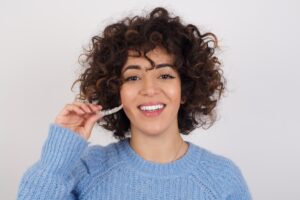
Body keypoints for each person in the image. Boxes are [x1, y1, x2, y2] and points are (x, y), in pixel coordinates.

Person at [17, 7, 252, 200]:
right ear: (117, 93)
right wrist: (59, 153)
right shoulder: (87, 170)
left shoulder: (222, 179)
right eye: (133, 77)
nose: (149, 89)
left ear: (185, 90)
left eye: (165, 75)